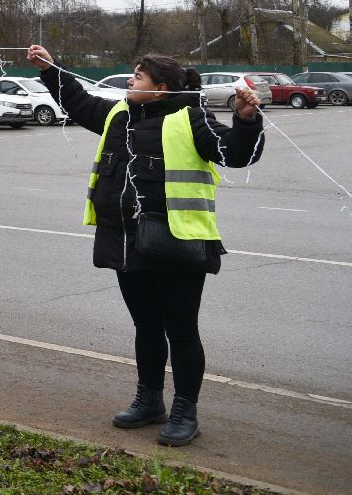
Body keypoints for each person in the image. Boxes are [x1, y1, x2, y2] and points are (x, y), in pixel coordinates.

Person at [30, 45, 263, 448]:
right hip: (126, 244)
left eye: (137, 77)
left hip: (179, 245)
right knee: (147, 326)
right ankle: (150, 400)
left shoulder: (190, 117)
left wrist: (245, 120)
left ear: (160, 89)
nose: (128, 81)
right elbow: (80, 102)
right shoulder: (118, 115)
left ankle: (185, 411)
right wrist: (51, 69)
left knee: (182, 331)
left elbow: (235, 154)